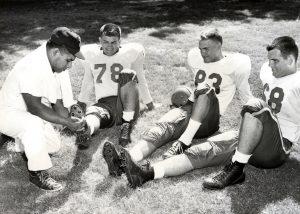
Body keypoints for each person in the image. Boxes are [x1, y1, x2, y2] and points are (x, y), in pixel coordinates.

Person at [102, 28, 253, 187]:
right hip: (189, 109)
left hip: (209, 119)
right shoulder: (195, 58)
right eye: (200, 48)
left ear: (219, 46)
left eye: (206, 48)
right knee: (160, 128)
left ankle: (184, 141)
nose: (202, 52)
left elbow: (245, 95)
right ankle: (123, 162)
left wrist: (250, 120)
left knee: (204, 89)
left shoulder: (235, 64)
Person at [202, 36, 299, 189]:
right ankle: (155, 170)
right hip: (256, 142)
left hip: (275, 150)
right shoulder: (267, 71)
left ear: (291, 60)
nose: (270, 64)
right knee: (205, 148)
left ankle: (237, 169)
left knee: (254, 104)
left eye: (275, 61)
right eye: (269, 60)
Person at [0, 27, 86, 191]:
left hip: (25, 116)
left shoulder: (55, 65)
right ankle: (37, 174)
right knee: (32, 125)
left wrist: (73, 122)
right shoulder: (32, 65)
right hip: (7, 114)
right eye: (69, 60)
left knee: (53, 146)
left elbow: (58, 105)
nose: (69, 66)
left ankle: (19, 139)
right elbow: (35, 108)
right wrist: (66, 122)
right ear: (55, 53)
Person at [75, 23, 155, 149]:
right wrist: (81, 103)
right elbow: (88, 80)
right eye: (106, 42)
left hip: (127, 102)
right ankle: (86, 130)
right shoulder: (90, 54)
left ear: (120, 42)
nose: (110, 46)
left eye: (114, 42)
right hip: (105, 104)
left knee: (127, 74)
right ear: (100, 40)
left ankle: (126, 125)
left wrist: (150, 104)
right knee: (93, 112)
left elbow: (140, 79)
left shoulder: (131, 52)